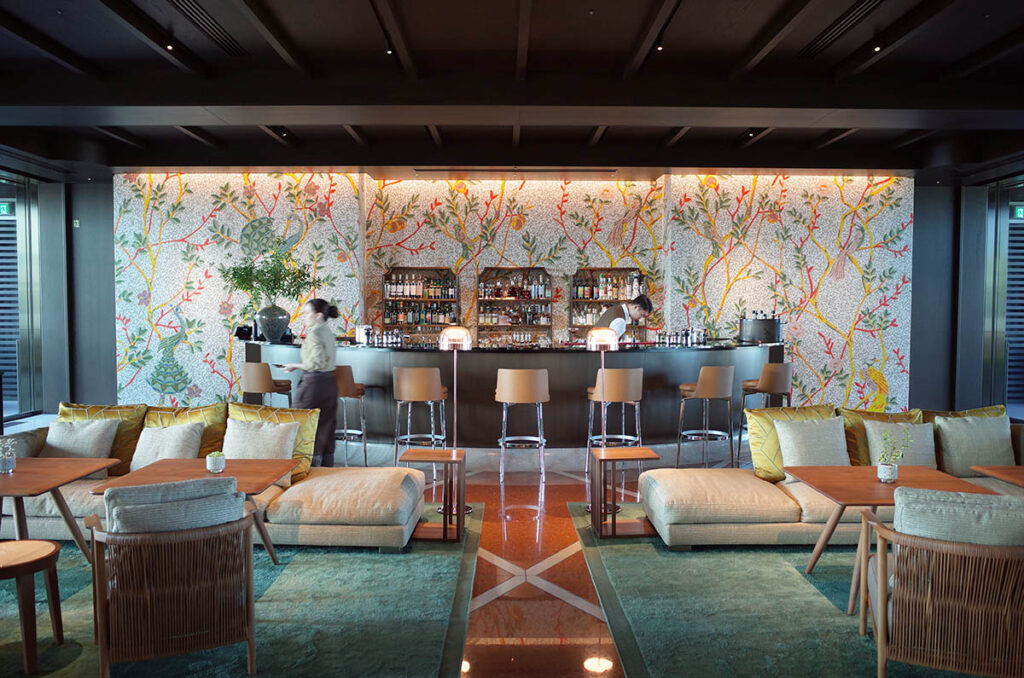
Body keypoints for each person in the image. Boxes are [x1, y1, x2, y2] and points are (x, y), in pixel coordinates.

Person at [279, 299, 339, 467]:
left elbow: (316, 364)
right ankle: (327, 468)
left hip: (314, 384)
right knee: (326, 426)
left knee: (300, 422)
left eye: (307, 313)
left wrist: (294, 365)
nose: (304, 317)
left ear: (318, 315)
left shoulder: (314, 334)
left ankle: (306, 467)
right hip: (330, 383)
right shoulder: (328, 332)